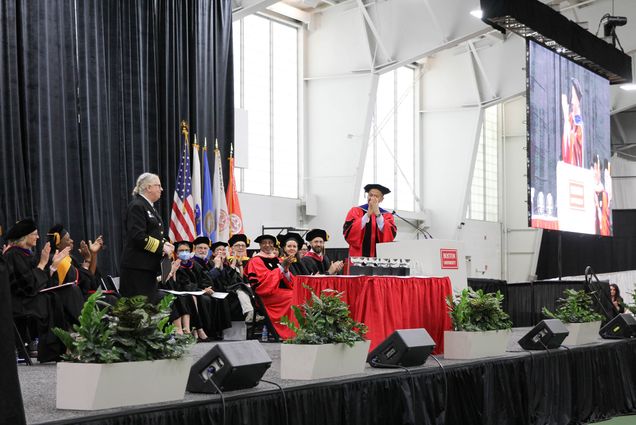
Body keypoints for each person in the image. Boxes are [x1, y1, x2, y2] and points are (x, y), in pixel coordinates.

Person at [4, 219, 83, 362]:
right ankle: (77, 340)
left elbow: (39, 282)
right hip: (21, 303)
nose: (38, 237)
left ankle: (76, 340)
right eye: (34, 234)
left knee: (70, 290)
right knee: (63, 295)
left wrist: (53, 266)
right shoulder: (13, 255)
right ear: (25, 236)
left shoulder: (25, 254)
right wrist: (43, 264)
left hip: (31, 298)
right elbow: (27, 286)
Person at [120, 173, 174, 300]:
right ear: (148, 187)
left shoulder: (149, 207)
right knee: (138, 310)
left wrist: (165, 243)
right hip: (136, 268)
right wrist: (161, 247)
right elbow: (138, 236)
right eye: (158, 186)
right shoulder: (137, 206)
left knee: (149, 309)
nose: (161, 189)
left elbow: (154, 233)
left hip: (147, 267)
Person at [174, 240, 231, 340]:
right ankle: (199, 330)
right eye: (181, 250)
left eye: (187, 250)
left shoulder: (194, 264)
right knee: (203, 299)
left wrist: (206, 287)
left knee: (216, 299)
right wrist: (202, 289)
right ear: (177, 253)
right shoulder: (176, 266)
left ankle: (213, 332)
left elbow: (205, 278)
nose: (184, 252)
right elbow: (183, 283)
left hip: (198, 291)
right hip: (187, 292)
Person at [244, 234, 295, 339]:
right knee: (292, 297)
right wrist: (281, 268)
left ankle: (297, 330)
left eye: (270, 243)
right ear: (260, 245)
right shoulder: (255, 261)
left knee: (298, 294)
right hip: (266, 296)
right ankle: (288, 332)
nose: (267, 245)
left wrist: (285, 270)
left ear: (274, 245)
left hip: (280, 293)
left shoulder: (278, 260)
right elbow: (262, 285)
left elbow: (289, 281)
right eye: (264, 243)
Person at [47, 224, 106, 299]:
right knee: (110, 299)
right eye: (68, 239)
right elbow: (84, 285)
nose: (72, 241)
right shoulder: (59, 261)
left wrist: (93, 254)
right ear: (58, 244)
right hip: (68, 302)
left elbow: (89, 279)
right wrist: (87, 261)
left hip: (77, 298)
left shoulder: (70, 258)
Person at [206, 239, 256, 321]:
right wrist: (217, 266)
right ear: (214, 253)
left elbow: (232, 280)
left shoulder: (226, 264)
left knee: (242, 286)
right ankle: (249, 311)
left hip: (227, 290)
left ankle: (251, 313)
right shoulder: (209, 263)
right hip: (217, 290)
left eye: (223, 250)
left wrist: (234, 264)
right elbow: (210, 279)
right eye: (219, 250)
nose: (222, 251)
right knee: (241, 287)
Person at [343, 184, 397, 257]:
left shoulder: (387, 215)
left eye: (376, 196)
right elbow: (349, 233)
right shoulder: (356, 211)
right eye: (371, 195)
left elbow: (390, 236)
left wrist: (378, 214)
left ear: (381, 199)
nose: (372, 198)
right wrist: (367, 214)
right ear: (367, 196)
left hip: (379, 258)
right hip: (358, 257)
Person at [561, 78, 584, 167]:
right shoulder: (571, 117)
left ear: (578, 100)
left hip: (575, 165)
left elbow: (576, 139)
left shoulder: (578, 118)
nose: (572, 101)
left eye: (574, 97)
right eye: (572, 97)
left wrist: (566, 118)